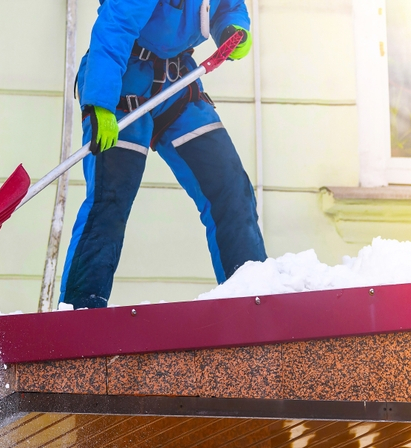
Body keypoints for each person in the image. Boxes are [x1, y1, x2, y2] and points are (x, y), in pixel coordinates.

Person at [59, 0, 268, 310]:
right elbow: (116, 25)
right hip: (121, 80)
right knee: (110, 199)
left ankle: (253, 302)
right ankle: (80, 311)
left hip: (177, 81)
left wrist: (233, 29)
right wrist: (100, 101)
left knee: (231, 189)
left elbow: (228, 6)